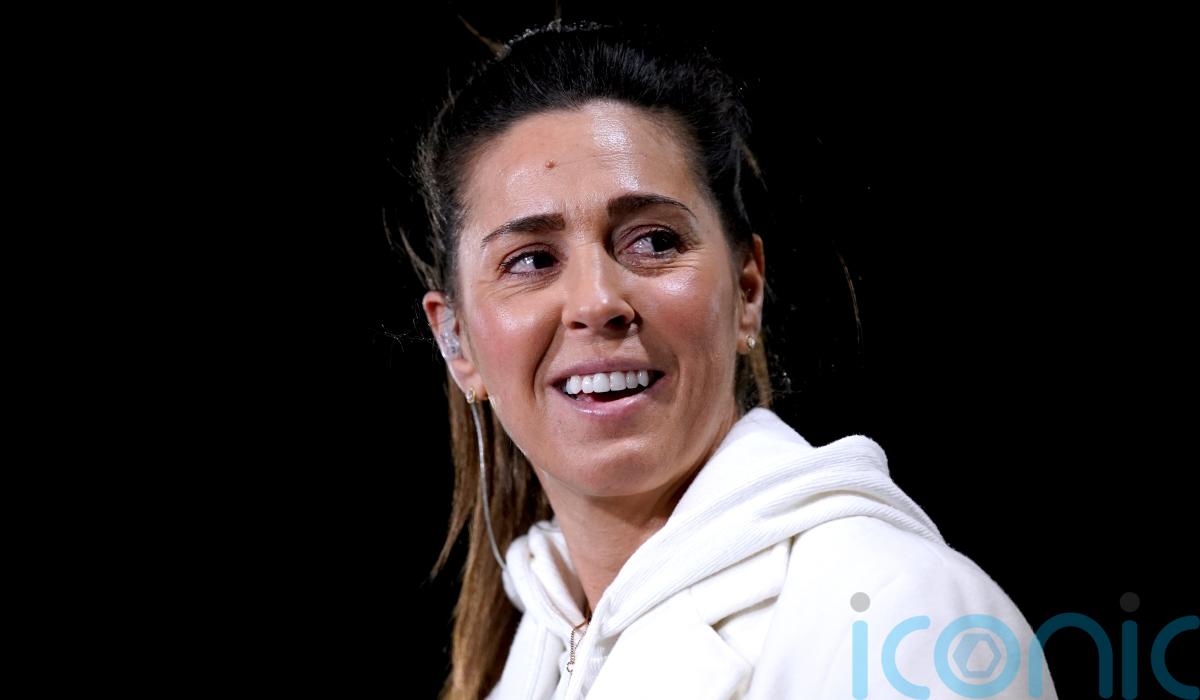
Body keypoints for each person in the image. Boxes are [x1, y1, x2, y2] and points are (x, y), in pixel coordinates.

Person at [391, 19, 1059, 700]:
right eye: (532, 260)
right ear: (457, 343)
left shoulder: (901, 616)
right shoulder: (528, 651)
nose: (597, 301)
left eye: (653, 241)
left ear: (747, 292)